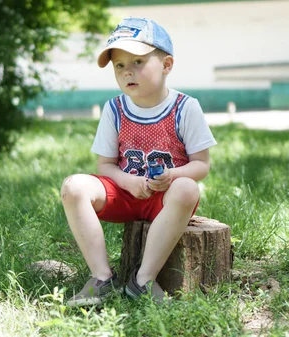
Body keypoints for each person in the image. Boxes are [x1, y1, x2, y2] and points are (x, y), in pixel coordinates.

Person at [61, 17, 217, 307]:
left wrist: (171, 176)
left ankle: (143, 281)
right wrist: (129, 182)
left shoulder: (185, 108)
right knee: (74, 187)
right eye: (119, 65)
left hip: (166, 198)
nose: (127, 72)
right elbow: (105, 165)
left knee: (187, 188)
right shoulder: (115, 109)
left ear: (167, 65)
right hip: (125, 192)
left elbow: (201, 165)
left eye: (138, 62)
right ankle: (102, 278)